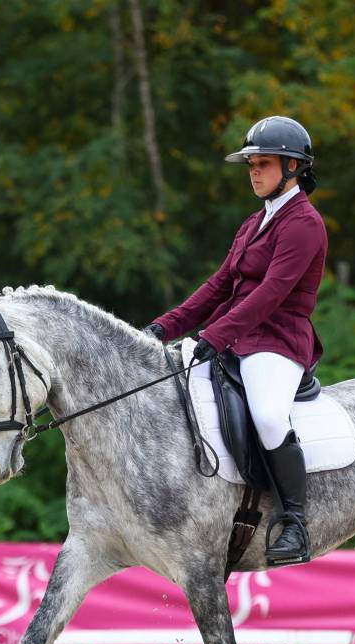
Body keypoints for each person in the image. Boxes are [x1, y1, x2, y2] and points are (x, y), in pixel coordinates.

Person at [143, 116, 327, 566]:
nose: (254, 172)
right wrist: (163, 328)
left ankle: (295, 523)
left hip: (278, 343)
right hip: (236, 339)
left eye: (263, 164)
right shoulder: (254, 223)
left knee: (267, 415)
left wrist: (214, 335)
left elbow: (270, 295)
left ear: (292, 167)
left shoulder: (303, 224)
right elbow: (220, 285)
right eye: (250, 165)